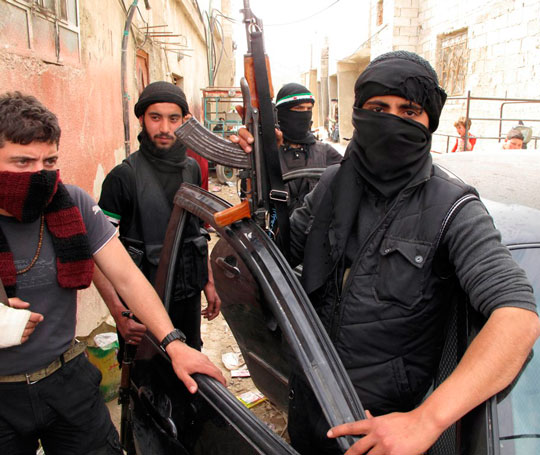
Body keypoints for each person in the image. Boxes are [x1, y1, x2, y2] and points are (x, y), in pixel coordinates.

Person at [233, 51, 540, 455]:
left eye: (408, 111)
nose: (391, 121)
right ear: (360, 113)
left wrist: (426, 420)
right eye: (378, 109)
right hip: (310, 405)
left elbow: (518, 319)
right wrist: (261, 171)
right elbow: (275, 255)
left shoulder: (452, 208)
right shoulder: (332, 185)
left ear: (429, 122)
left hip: (381, 436)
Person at [0, 91, 225, 454]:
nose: (39, 174)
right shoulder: (125, 177)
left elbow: (126, 276)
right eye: (23, 162)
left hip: (67, 379)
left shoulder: (72, 204)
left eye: (50, 161)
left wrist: (173, 343)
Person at [95, 81, 221, 359]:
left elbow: (197, 231)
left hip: (187, 300)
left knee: (191, 369)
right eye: (155, 117)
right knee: (147, 379)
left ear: (184, 121)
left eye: (173, 119)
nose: (165, 128)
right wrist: (119, 312)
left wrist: (208, 282)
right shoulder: (123, 177)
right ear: (141, 119)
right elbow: (98, 253)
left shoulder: (191, 169)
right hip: (142, 309)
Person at [273, 83, 343, 214]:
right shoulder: (269, 151)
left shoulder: (324, 151)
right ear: (282, 112)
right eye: (299, 108)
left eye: (308, 109)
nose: (304, 114)